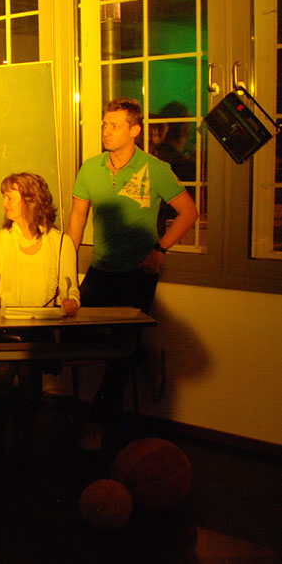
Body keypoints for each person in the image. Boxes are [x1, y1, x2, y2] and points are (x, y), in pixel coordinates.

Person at [68, 97, 198, 452]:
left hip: (137, 273)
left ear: (134, 130)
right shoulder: (90, 168)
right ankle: (142, 354)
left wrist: (160, 250)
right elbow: (78, 217)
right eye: (104, 125)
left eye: (114, 125)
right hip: (101, 269)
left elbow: (188, 213)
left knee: (120, 354)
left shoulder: (155, 169)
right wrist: (65, 265)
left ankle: (96, 423)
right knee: (70, 331)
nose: (106, 131)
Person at [0, 172, 80, 462]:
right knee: (4, 372)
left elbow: (71, 290)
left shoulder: (60, 242)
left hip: (39, 330)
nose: (3, 204)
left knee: (28, 374)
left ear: (31, 200)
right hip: (4, 329)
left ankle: (21, 437)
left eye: (9, 198)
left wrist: (71, 302)